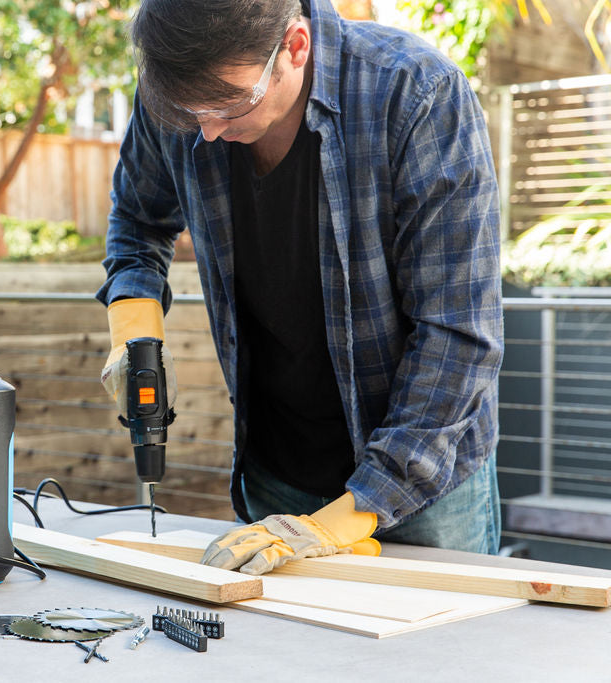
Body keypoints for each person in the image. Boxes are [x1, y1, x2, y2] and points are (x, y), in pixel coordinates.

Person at [98, 0, 504, 575]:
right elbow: (138, 220)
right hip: (275, 475)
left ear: (295, 46)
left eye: (230, 104)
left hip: (421, 481)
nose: (206, 132)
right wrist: (132, 332)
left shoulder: (416, 94)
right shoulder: (181, 92)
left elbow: (459, 336)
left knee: (432, 662)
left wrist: (352, 513)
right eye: (191, 115)